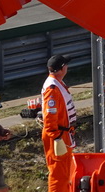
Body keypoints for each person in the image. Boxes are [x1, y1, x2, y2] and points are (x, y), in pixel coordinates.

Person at [41, 54, 77, 192]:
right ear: (62, 68)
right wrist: (56, 137)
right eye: (66, 65)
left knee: (65, 172)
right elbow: (50, 115)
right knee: (58, 173)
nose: (67, 67)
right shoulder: (52, 88)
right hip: (57, 135)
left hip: (62, 134)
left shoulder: (57, 83)